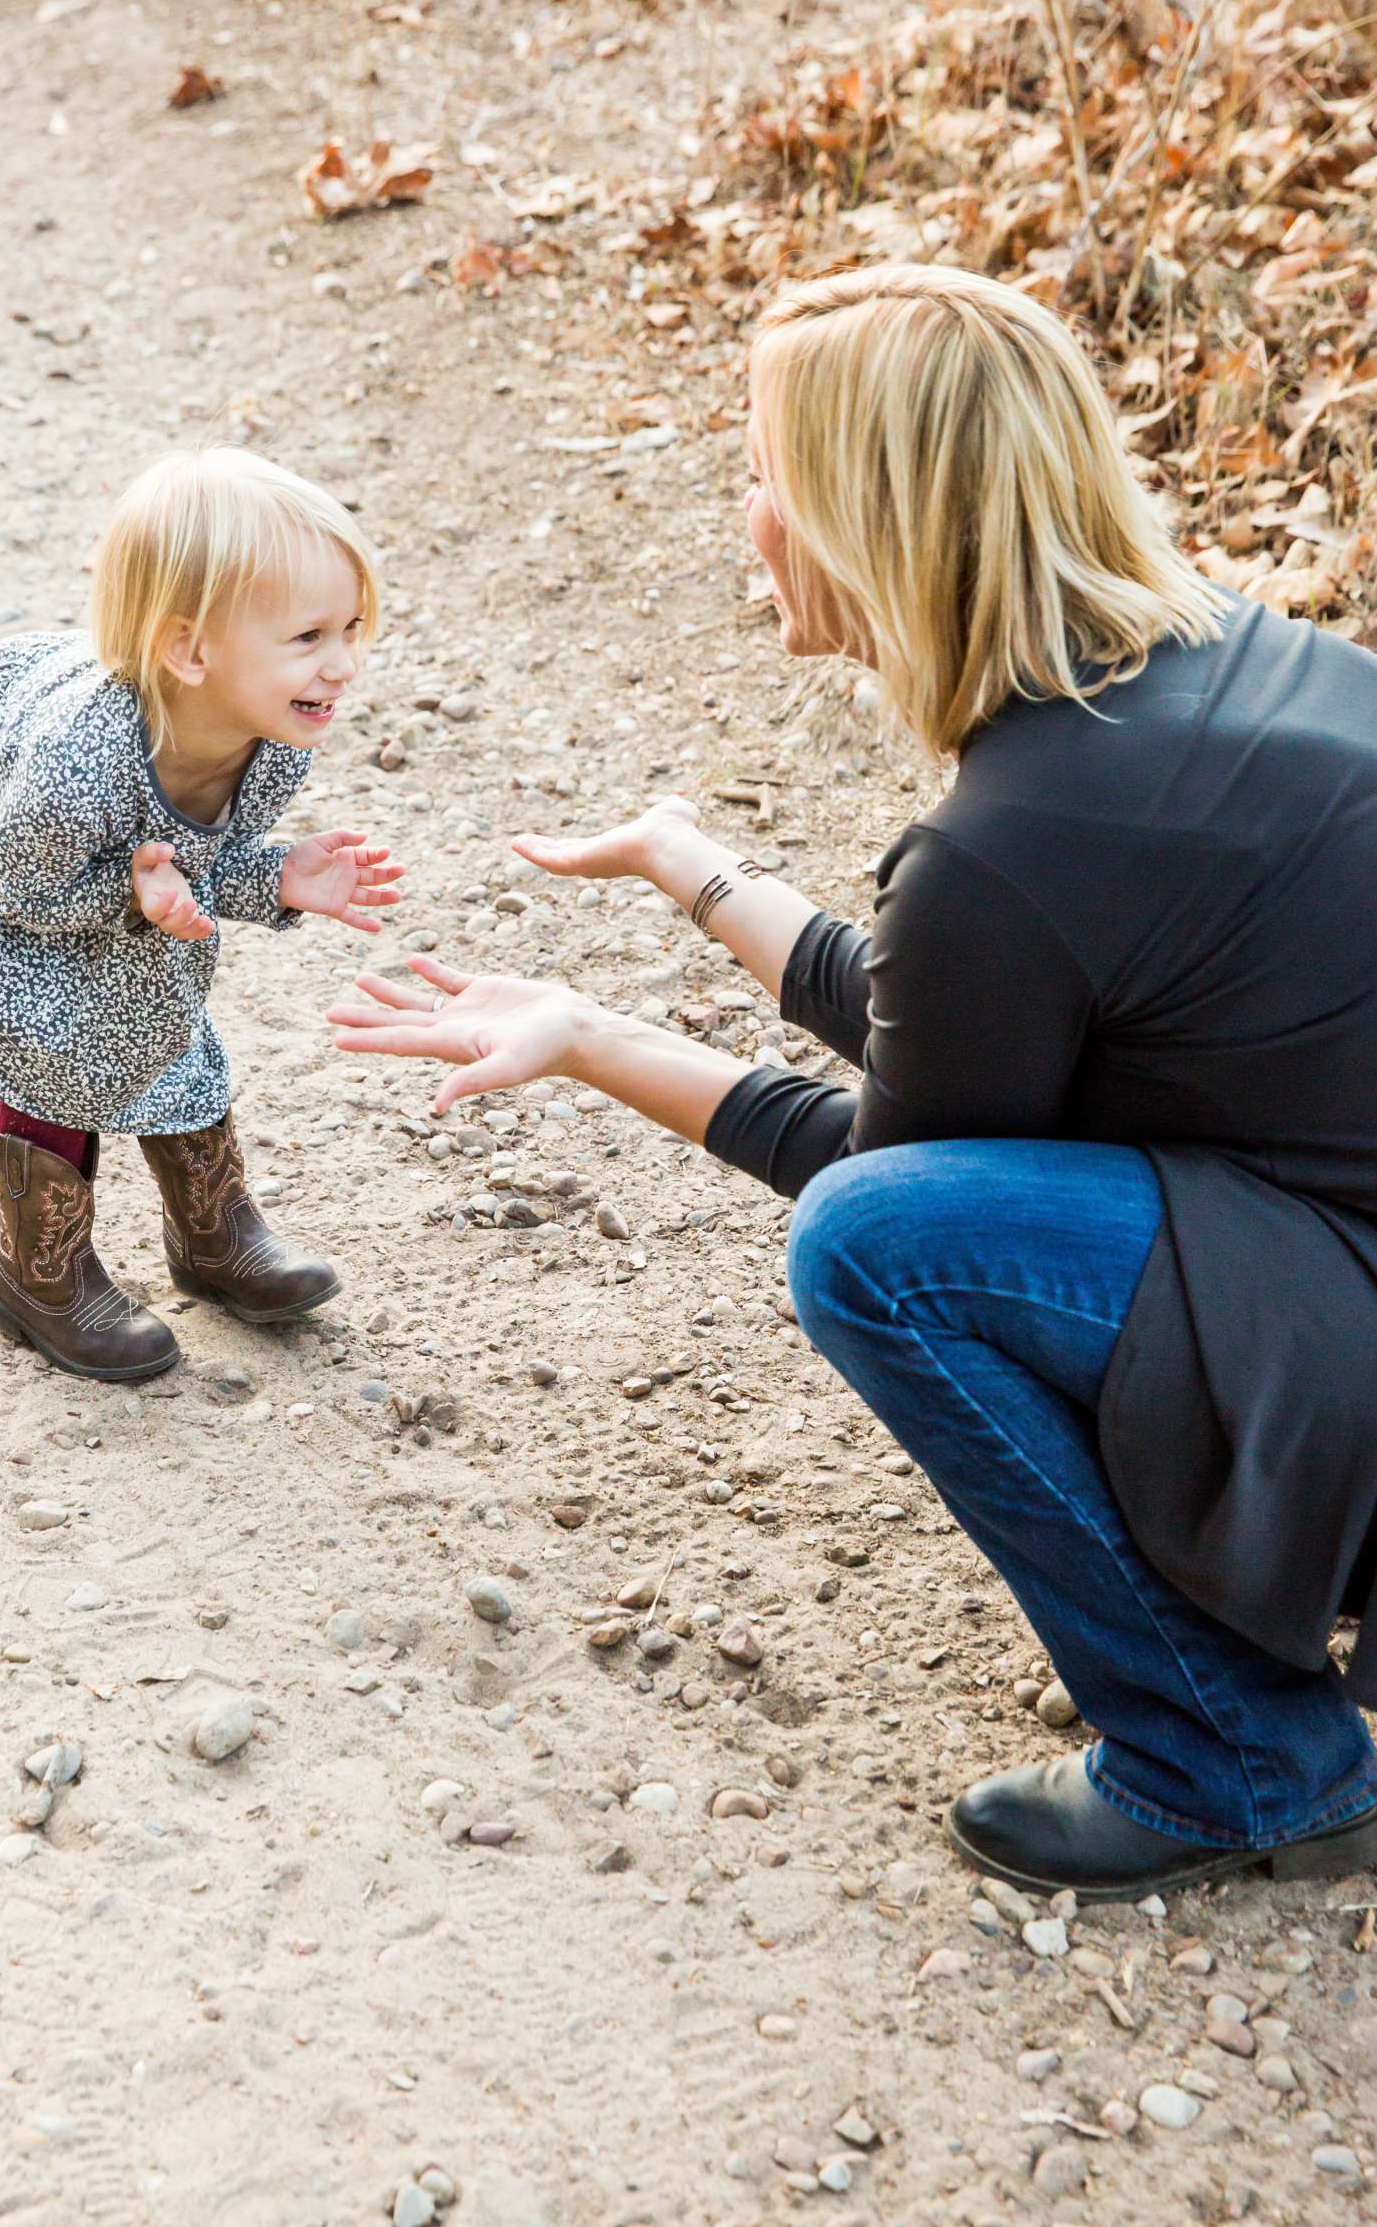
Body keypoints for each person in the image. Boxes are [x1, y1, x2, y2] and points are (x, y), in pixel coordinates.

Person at [329, 261, 1377, 1901]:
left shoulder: (1023, 836)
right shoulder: (1212, 673)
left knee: (874, 1253)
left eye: (769, 476)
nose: (749, 513)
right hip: (1332, 1264)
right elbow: (953, 1010)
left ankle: (1236, 1755)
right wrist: (694, 866)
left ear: (870, 515)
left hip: (1349, 1325)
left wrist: (599, 1040)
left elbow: (900, 1188)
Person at [0, 447, 403, 1383]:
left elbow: (189, 873)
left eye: (353, 628)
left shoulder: (274, 737)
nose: (342, 665)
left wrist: (277, 878)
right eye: (308, 638)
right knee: (56, 1028)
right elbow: (27, 896)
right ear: (189, 651)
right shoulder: (76, 765)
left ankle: (213, 1230)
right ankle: (37, 1273)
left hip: (77, 861)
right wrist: (135, 895)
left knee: (157, 991)